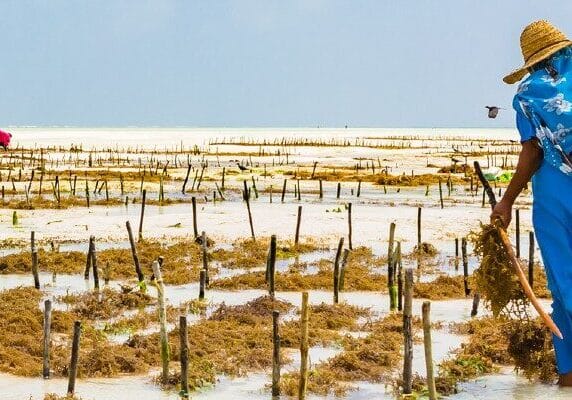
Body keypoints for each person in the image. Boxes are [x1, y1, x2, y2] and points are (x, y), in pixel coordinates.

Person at [494, 19, 572, 386]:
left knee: (563, 288)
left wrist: (506, 201)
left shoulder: (529, 92)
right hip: (555, 196)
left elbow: (533, 152)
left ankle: (568, 377)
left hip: (555, 195)